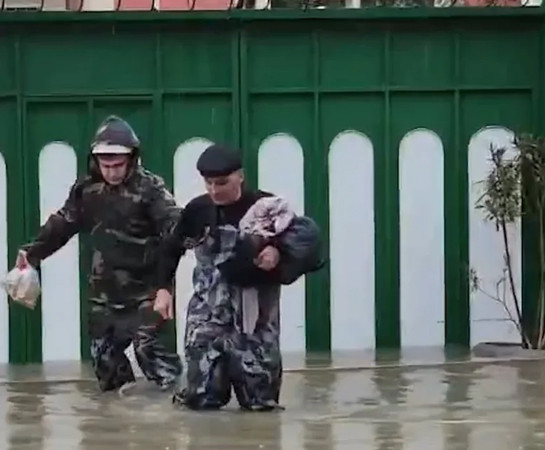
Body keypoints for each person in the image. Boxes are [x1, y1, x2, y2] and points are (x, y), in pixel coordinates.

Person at [152, 143, 324, 411]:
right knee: (200, 401)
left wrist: (277, 253)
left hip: (255, 322)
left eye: (221, 183)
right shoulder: (198, 211)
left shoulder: (268, 209)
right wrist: (163, 289)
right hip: (208, 318)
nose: (214, 190)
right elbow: (170, 248)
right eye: (208, 183)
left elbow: (309, 245)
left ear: (240, 176)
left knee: (260, 405)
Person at [22, 116, 183, 393]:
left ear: (132, 159)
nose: (112, 172)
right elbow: (62, 225)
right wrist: (31, 254)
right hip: (104, 292)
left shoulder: (151, 189)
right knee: (105, 364)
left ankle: (173, 412)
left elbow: (175, 231)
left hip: (147, 289)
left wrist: (165, 286)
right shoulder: (86, 190)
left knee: (151, 354)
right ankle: (117, 422)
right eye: (105, 165)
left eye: (118, 165)